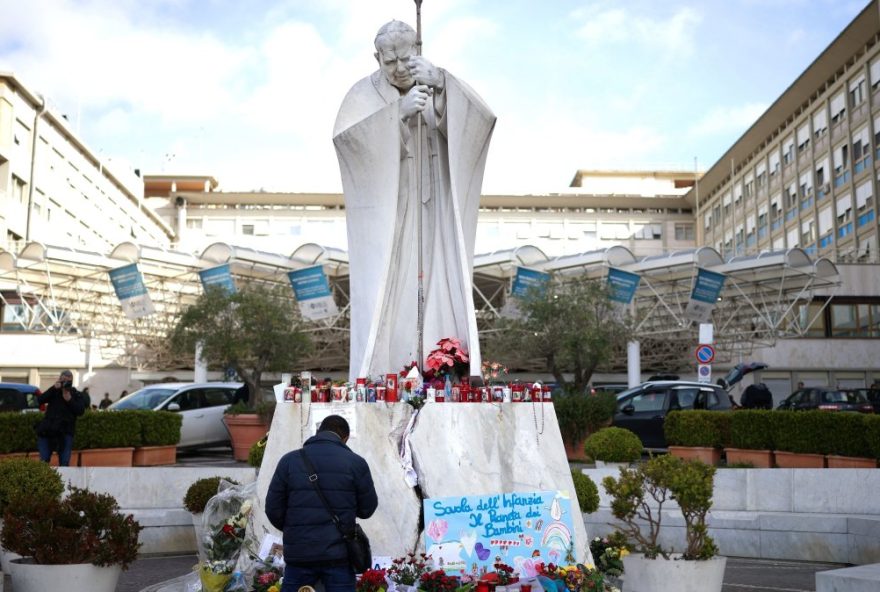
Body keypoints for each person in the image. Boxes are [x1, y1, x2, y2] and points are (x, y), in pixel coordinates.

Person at [334, 20, 496, 380]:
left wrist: (442, 85)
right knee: (391, 288)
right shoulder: (362, 94)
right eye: (388, 61)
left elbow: (481, 122)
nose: (398, 68)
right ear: (376, 57)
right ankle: (387, 368)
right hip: (390, 213)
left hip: (434, 208)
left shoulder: (435, 81)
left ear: (417, 51)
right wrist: (397, 115)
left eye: (405, 58)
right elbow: (348, 143)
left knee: (439, 276)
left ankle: (442, 364)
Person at [266, 415, 378, 592]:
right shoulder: (356, 463)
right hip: (338, 556)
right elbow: (367, 509)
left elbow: (273, 509)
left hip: (299, 556)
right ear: (345, 438)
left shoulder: (289, 461)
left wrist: (294, 528)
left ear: (318, 432)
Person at [35, 370, 87, 466]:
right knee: (44, 461)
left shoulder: (75, 394)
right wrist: (53, 388)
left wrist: (69, 399)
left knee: (64, 462)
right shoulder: (54, 392)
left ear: (72, 382)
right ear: (59, 379)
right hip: (48, 430)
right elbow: (39, 400)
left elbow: (80, 411)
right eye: (63, 381)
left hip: (65, 432)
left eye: (68, 382)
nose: (65, 384)